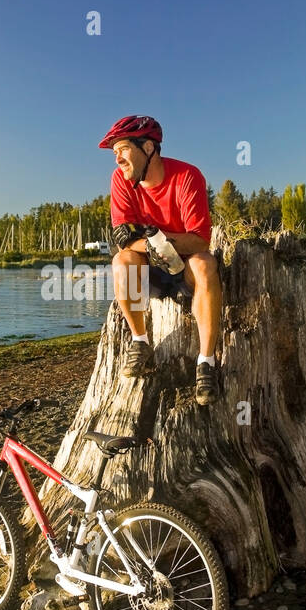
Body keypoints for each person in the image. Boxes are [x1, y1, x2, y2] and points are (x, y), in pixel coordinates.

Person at [99, 114, 222, 405]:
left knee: (205, 263)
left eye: (123, 149)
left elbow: (200, 239)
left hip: (185, 267)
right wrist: (152, 245)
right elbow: (125, 240)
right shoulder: (120, 180)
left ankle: (206, 362)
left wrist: (159, 241)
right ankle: (140, 341)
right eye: (114, 153)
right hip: (150, 270)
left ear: (149, 148)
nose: (118, 160)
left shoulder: (188, 176)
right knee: (122, 261)